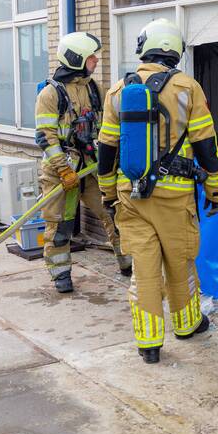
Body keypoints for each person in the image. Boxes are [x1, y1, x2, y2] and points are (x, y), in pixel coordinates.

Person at [97, 18, 218, 364]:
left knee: (144, 269)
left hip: (130, 195)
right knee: (180, 262)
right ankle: (186, 325)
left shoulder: (117, 91)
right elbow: (205, 146)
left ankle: (149, 343)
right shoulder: (187, 88)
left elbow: (106, 149)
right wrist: (215, 188)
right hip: (174, 196)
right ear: (175, 51)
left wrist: (108, 191)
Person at [35, 32, 131, 294]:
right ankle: (61, 274)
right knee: (61, 225)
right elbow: (45, 136)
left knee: (113, 212)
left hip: (92, 167)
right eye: (91, 57)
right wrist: (63, 169)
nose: (96, 61)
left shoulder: (94, 89)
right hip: (61, 173)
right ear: (76, 59)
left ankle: (128, 263)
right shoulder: (50, 94)